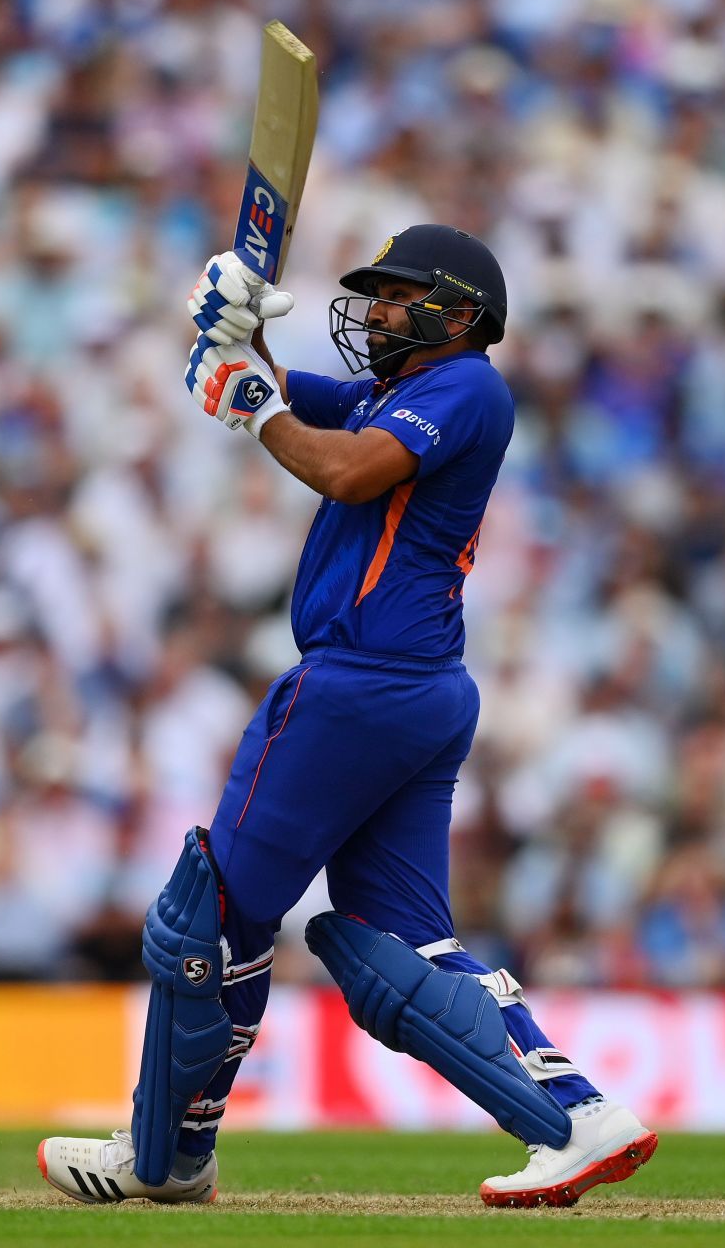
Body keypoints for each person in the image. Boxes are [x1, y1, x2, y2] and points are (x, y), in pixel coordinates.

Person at [37, 226, 657, 1208]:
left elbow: (343, 469)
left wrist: (253, 401)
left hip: (358, 684)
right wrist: (227, 323)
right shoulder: (403, 393)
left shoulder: (463, 386)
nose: (372, 310)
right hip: (417, 688)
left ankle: (164, 1155)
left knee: (217, 914)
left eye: (396, 295)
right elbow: (271, 386)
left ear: (459, 314)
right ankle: (575, 1117)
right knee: (398, 944)